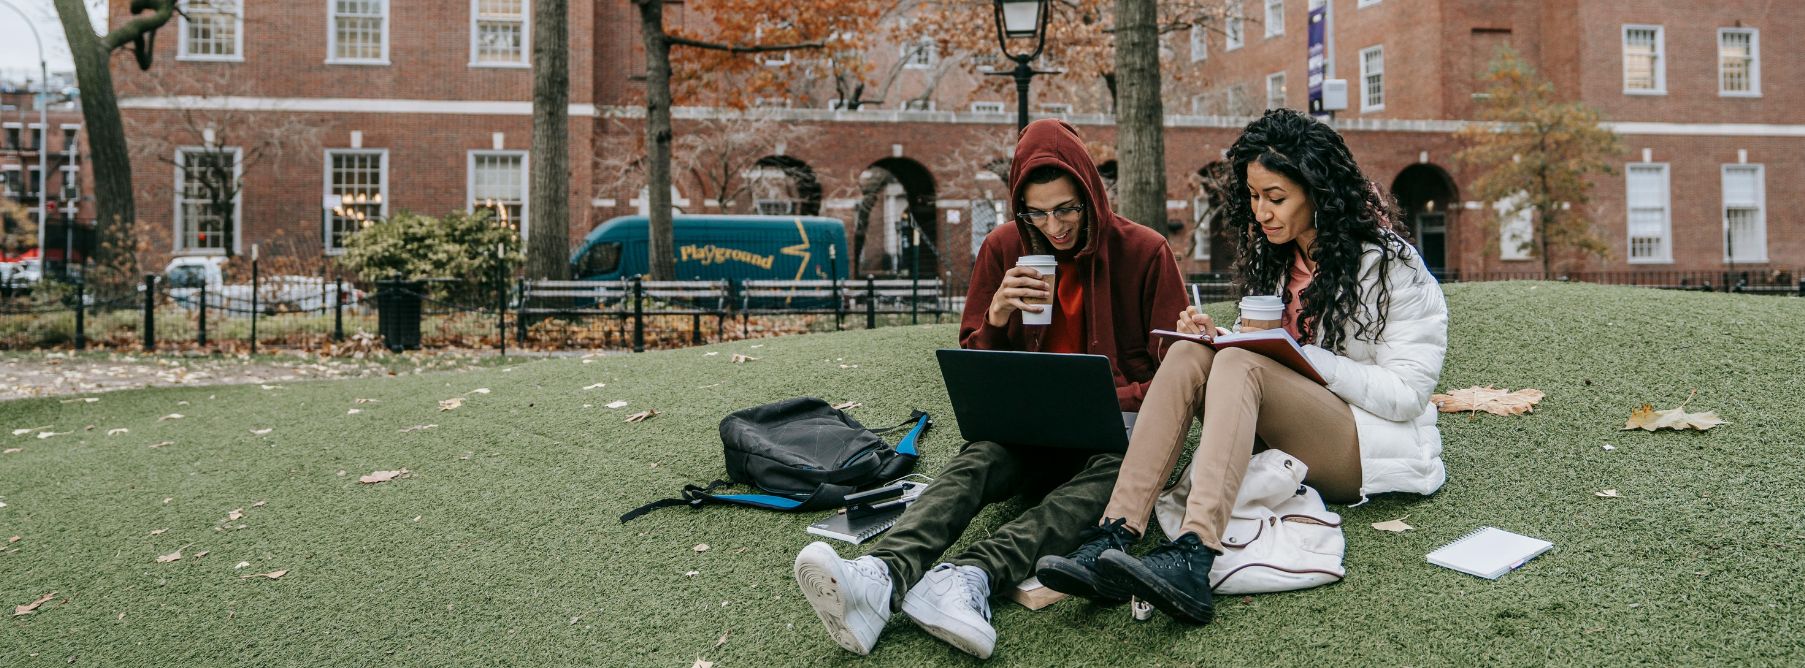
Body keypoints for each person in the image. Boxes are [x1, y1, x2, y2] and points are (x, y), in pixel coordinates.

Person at [1035, 108, 1449, 624]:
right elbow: (1270, 357)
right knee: (1191, 352)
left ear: (1319, 192)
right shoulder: (1278, 261)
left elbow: (1408, 393)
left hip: (1362, 443)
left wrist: (1292, 356)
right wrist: (1221, 337)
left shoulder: (1390, 265)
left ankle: (1194, 551)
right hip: (1285, 428)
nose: (1262, 212)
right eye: (1254, 198)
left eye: (1276, 198)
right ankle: (1114, 532)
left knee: (1239, 367)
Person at [791, 119, 1187, 659]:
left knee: (1114, 477)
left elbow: (1176, 374)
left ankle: (969, 576)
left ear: (1092, 195)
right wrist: (998, 314)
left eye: (1068, 208)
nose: (1056, 227)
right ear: (1018, 208)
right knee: (977, 458)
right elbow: (977, 366)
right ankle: (880, 575)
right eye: (1038, 213)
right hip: (1028, 432)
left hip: (1112, 436)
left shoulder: (1145, 251)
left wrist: (1116, 397)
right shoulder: (1003, 247)